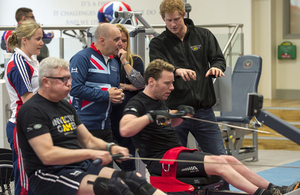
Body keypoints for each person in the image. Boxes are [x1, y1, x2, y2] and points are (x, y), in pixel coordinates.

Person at [119, 59, 300, 195]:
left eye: (172, 82)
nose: (172, 87)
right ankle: (262, 194)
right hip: (163, 162)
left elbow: (167, 124)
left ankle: (274, 188)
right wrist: (149, 116)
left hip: (176, 154)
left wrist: (178, 115)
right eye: (168, 83)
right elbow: (125, 129)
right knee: (219, 164)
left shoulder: (159, 101)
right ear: (151, 81)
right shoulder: (138, 103)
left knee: (228, 159)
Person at [16, 56, 166, 195]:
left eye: (69, 78)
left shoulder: (65, 106)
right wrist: (90, 153)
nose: (69, 83)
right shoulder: (32, 110)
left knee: (135, 179)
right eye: (63, 79)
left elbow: (88, 140)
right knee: (112, 187)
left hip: (78, 166)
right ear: (46, 82)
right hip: (50, 173)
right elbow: (47, 155)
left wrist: (110, 147)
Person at [149, 0, 227, 156]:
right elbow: (158, 69)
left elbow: (218, 59)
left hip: (203, 111)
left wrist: (216, 67)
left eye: (176, 19)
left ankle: (222, 182)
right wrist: (176, 71)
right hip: (174, 112)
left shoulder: (204, 35)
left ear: (183, 15)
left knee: (220, 157)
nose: (173, 24)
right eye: (168, 20)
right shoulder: (158, 43)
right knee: (175, 161)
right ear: (163, 19)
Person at [4, 20, 44, 195]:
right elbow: (28, 101)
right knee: (25, 180)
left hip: (35, 122)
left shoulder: (32, 60)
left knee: (38, 177)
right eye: (38, 39)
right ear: (25, 40)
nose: (42, 43)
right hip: (22, 125)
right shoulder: (18, 64)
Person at [69, 23, 124, 149]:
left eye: (120, 39)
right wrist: (106, 95)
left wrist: (119, 96)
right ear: (102, 40)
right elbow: (75, 88)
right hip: (84, 127)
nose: (120, 43)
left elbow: (115, 91)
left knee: (108, 169)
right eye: (116, 39)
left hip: (106, 127)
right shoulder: (82, 58)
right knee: (87, 168)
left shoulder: (114, 62)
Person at [110, 23, 145, 171]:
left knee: (128, 158)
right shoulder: (106, 60)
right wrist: (127, 86)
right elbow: (106, 85)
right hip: (110, 113)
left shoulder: (135, 60)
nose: (120, 44)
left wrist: (124, 61)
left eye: (124, 40)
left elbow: (140, 83)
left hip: (128, 113)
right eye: (117, 40)